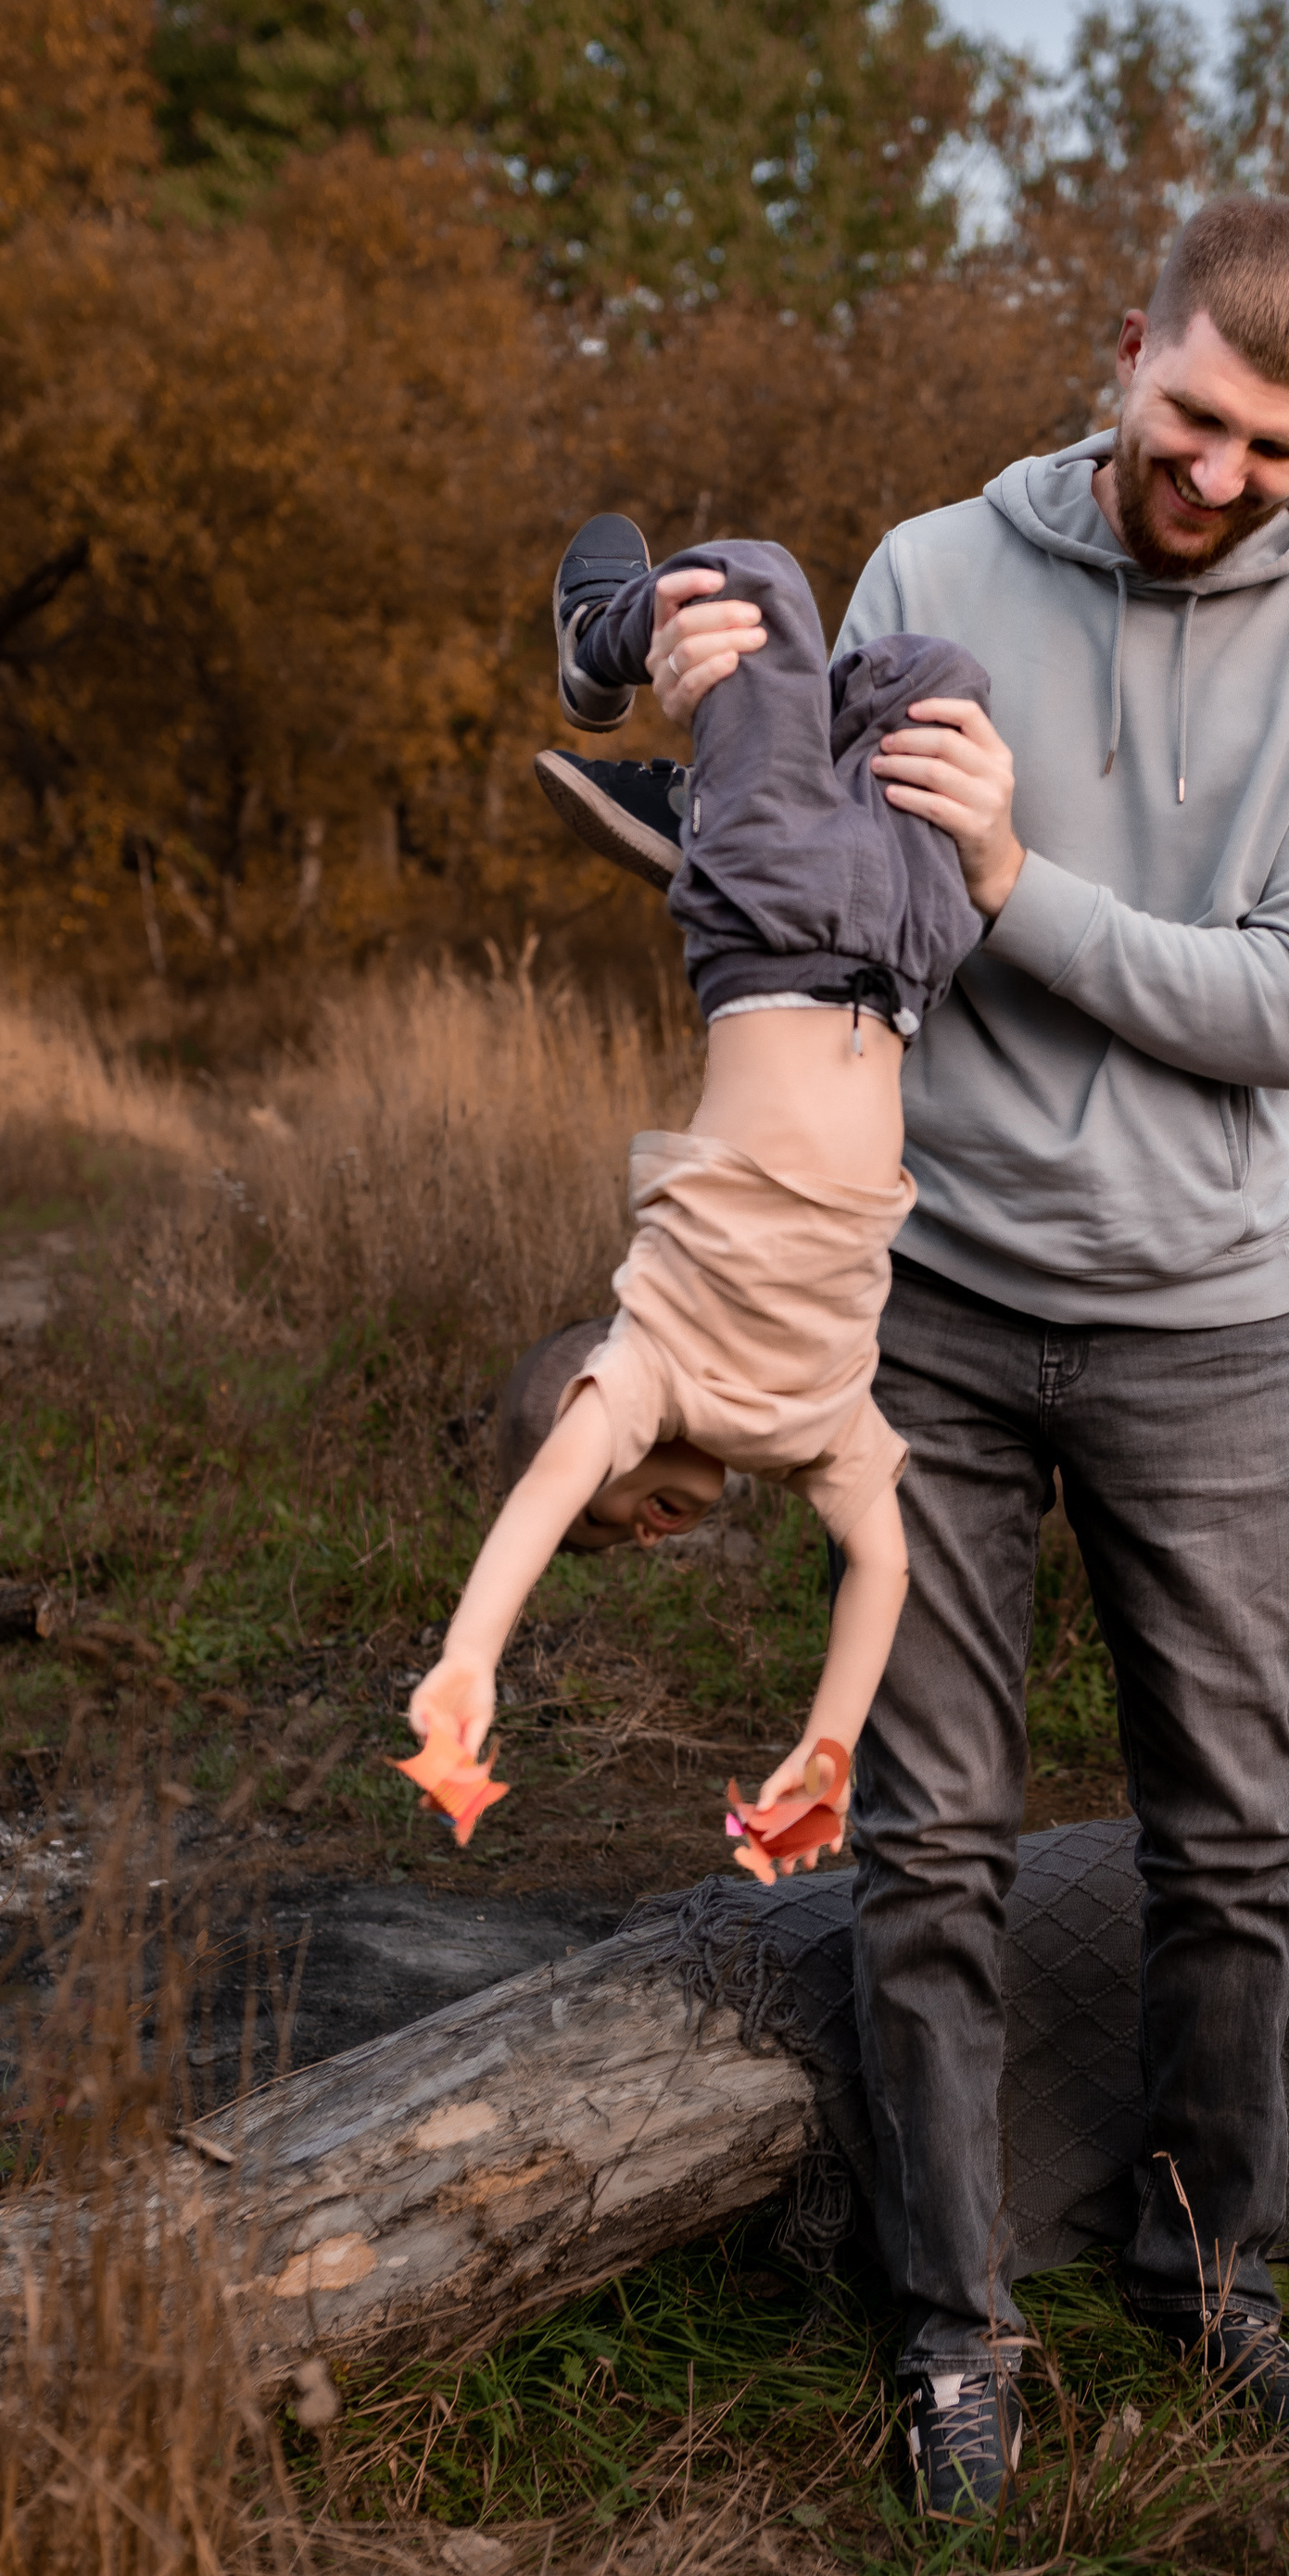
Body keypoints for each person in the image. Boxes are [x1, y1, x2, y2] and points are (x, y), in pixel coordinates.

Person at [557, 196, 1289, 2516]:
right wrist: (713, 724)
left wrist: (1015, 877)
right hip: (929, 1302)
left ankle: (1202, 2266)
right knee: (930, 1844)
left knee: (1230, 1844)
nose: (1221, 473)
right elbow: (830, 930)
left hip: (1195, 1319)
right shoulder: (934, 555)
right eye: (1191, 418)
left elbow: (1281, 1005)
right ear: (1120, 348)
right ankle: (955, 2333)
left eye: (1275, 443)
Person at [405, 527, 987, 1868]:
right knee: (931, 677)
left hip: (772, 932)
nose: (643, 1529)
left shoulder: (649, 1369)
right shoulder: (818, 1429)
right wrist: (829, 1749)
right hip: (905, 965)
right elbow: (885, 1573)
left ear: (592, 1424)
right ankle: (726, 783)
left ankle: (600, 634)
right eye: (633, 1537)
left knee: (755, 583)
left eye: (613, 1511)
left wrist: (470, 1657)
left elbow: (536, 1505)